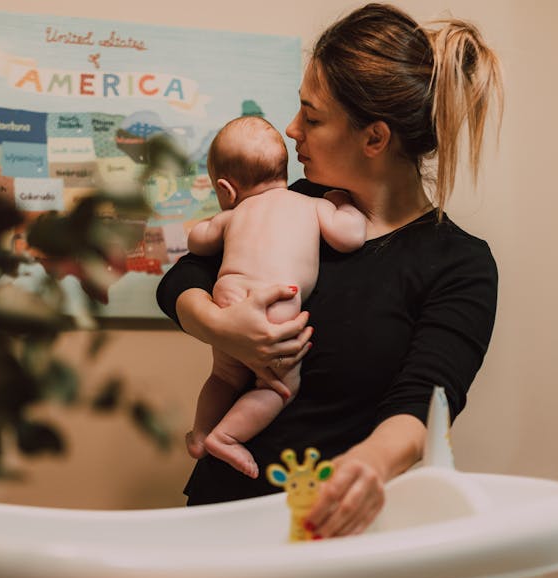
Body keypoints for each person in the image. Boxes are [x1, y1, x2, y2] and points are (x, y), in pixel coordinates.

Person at [155, 3, 504, 537]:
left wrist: (371, 463)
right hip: (221, 513)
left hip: (333, 524)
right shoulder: (293, 204)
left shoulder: (458, 265)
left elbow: (424, 405)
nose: (292, 129)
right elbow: (179, 280)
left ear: (375, 138)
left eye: (312, 117)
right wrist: (218, 324)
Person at [186, 116, 367, 480]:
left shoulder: (234, 214)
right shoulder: (308, 204)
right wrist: (343, 204)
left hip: (229, 296)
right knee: (277, 385)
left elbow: (197, 241)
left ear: (226, 188)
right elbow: (350, 237)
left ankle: (202, 432)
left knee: (223, 375)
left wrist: (219, 220)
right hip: (277, 305)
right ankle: (229, 436)